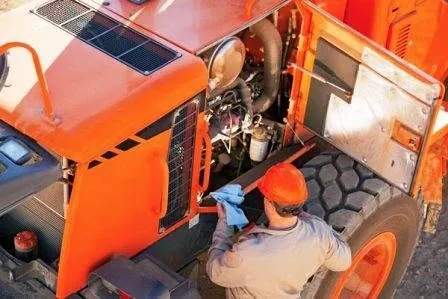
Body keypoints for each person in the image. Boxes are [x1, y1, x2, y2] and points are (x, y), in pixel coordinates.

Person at [206, 163, 352, 298]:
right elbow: (344, 262)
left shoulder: (249, 253)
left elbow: (215, 271)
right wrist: (317, 225)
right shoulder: (319, 234)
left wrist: (224, 223)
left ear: (268, 202)